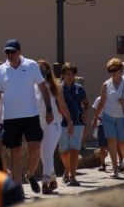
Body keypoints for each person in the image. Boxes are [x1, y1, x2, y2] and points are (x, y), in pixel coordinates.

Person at [0, 39, 53, 194]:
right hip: (10, 117)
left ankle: (30, 174)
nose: (10, 55)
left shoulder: (31, 65)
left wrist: (49, 109)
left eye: (13, 51)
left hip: (31, 115)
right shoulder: (0, 70)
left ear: (19, 51)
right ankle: (18, 188)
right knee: (15, 151)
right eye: (7, 52)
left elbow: (43, 88)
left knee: (35, 148)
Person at [92, 58, 124, 179]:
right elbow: (102, 102)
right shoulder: (106, 84)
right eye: (110, 70)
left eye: (115, 70)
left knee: (122, 143)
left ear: (120, 70)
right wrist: (95, 118)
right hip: (108, 117)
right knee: (111, 142)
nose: (112, 72)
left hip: (123, 117)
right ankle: (115, 169)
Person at [36, 60, 74, 192]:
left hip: (54, 123)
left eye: (43, 69)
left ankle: (45, 182)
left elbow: (62, 106)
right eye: (38, 68)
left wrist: (69, 122)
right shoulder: (31, 86)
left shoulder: (54, 86)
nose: (41, 71)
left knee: (47, 151)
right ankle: (52, 178)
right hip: (38, 123)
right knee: (43, 153)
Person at [59, 63, 89, 185]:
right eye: (67, 74)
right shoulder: (59, 89)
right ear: (63, 75)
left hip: (77, 123)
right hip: (61, 123)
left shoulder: (80, 88)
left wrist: (86, 113)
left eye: (72, 74)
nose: (70, 76)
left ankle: (72, 177)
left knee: (74, 150)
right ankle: (67, 169)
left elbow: (86, 104)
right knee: (64, 152)